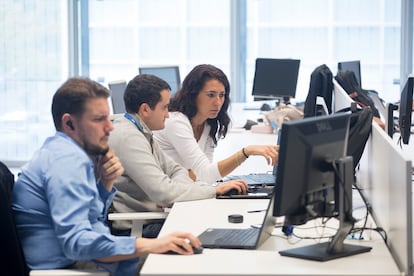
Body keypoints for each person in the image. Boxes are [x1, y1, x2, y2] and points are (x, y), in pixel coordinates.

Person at [11, 77, 202, 276]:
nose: (110, 127)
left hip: (86, 260)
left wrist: (105, 184)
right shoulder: (66, 160)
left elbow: (91, 220)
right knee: (182, 266)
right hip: (70, 267)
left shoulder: (66, 152)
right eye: (98, 119)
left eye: (108, 118)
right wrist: (150, 245)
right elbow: (77, 242)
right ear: (69, 123)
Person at [108, 74, 248, 237]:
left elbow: (176, 170)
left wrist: (180, 189)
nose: (168, 114)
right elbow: (165, 194)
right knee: (211, 230)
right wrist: (214, 191)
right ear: (145, 109)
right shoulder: (129, 138)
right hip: (137, 228)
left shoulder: (142, 131)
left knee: (214, 223)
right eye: (164, 107)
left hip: (154, 217)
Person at [154, 64, 279, 184]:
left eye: (222, 95)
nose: (218, 102)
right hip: (165, 201)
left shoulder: (207, 124)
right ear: (193, 95)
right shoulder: (176, 122)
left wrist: (195, 175)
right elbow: (206, 174)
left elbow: (205, 178)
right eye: (211, 95)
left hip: (183, 193)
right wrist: (246, 152)